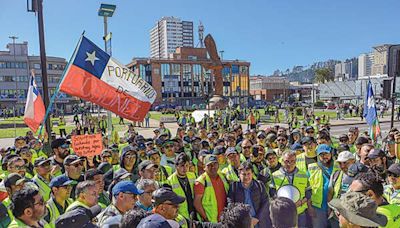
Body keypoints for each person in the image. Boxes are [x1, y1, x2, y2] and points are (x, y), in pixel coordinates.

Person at [270, 151, 311, 227]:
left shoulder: (303, 175)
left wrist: (301, 202)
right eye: (287, 161)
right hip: (283, 213)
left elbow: (308, 192)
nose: (289, 164)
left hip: (300, 212)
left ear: (296, 161)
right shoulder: (275, 175)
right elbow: (272, 193)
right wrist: (282, 204)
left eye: (292, 161)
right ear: (282, 161)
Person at [227, 161, 271, 228]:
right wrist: (241, 219)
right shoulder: (234, 187)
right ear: (239, 174)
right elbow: (230, 204)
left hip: (258, 222)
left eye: (248, 174)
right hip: (241, 223)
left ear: (252, 173)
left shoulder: (259, 185)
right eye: (243, 174)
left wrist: (257, 218)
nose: (246, 177)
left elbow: (266, 202)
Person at [308, 144, 338, 228]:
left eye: (326, 154)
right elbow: (307, 190)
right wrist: (309, 207)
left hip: (335, 206)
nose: (324, 156)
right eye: (321, 154)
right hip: (318, 208)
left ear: (331, 154)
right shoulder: (311, 168)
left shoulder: (338, 166)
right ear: (318, 155)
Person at [194, 155, 229, 222]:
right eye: (209, 165)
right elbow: (197, 203)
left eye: (215, 164)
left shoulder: (223, 176)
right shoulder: (201, 182)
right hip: (211, 222)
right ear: (204, 167)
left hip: (224, 219)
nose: (213, 167)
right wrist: (206, 219)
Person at [167, 153, 196, 221]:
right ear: (176, 166)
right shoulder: (170, 180)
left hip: (193, 212)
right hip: (180, 215)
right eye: (182, 166)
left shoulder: (192, 176)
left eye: (187, 165)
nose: (185, 168)